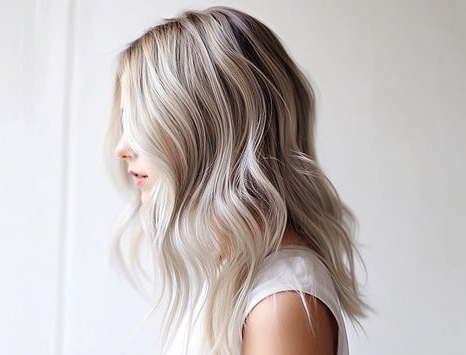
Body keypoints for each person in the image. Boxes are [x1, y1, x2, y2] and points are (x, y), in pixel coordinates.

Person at [104, 5, 371, 355]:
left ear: (203, 129)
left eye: (140, 122)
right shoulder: (235, 277)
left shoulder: (280, 301)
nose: (121, 148)